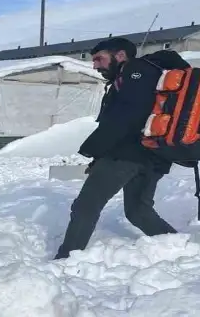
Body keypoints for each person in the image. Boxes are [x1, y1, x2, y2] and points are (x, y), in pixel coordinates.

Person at [54, 37, 187, 260]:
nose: (95, 65)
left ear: (120, 55)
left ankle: (66, 260)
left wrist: (93, 149)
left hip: (126, 154)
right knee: (138, 211)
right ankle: (181, 248)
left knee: (86, 205)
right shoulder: (150, 75)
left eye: (99, 59)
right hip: (153, 156)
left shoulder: (135, 71)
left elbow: (126, 116)